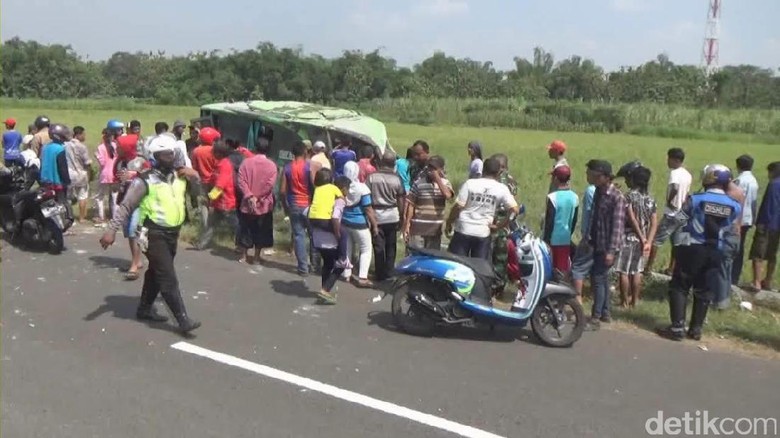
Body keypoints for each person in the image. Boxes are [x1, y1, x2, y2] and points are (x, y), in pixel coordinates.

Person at [100, 135, 202, 334]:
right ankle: (183, 320)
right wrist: (111, 231)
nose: (169, 158)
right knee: (168, 277)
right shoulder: (144, 180)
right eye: (164, 155)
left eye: (171, 154)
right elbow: (126, 206)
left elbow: (198, 193)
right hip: (152, 234)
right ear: (154, 157)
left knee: (157, 272)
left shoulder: (180, 176)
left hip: (173, 233)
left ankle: (144, 308)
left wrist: (195, 176)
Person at [657, 164, 741, 341]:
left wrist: (664, 237)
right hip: (716, 251)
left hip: (692, 248)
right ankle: (696, 330)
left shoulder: (696, 200)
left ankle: (677, 328)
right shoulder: (734, 206)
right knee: (704, 290)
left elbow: (679, 219)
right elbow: (729, 226)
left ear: (708, 177)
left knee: (680, 286)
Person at [446, 157, 519, 259]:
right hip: (483, 233)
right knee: (480, 268)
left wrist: (449, 221)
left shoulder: (470, 183)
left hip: (463, 230)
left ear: (483, 169)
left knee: (458, 264)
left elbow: (458, 206)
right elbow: (514, 210)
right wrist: (500, 226)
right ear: (498, 172)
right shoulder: (501, 188)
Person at [584, 160, 625, 330]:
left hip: (608, 246)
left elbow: (618, 226)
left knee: (598, 279)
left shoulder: (616, 197)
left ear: (605, 177)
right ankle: (606, 312)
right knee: (601, 278)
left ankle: (596, 317)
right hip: (597, 241)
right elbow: (593, 217)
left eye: (593, 174)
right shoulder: (598, 192)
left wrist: (611, 251)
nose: (589, 176)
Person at [615, 166, 657, 308]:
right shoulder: (650, 199)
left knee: (623, 271)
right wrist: (648, 241)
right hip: (643, 240)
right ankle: (635, 301)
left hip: (628, 237)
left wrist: (640, 237)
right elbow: (654, 222)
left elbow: (632, 219)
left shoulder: (629, 196)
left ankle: (624, 301)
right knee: (637, 271)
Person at [646, 147, 692, 275]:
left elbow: (675, 188)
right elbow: (687, 194)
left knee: (657, 240)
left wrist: (669, 201)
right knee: (677, 242)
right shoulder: (687, 174)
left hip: (672, 213)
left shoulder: (675, 173)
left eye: (669, 158)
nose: (667, 161)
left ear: (675, 160)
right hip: (683, 212)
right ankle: (672, 268)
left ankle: (648, 268)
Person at [310, 174, 351, 304]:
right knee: (341, 264)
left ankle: (324, 291)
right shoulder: (339, 200)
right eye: (348, 188)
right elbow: (335, 216)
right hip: (330, 240)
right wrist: (337, 232)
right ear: (344, 188)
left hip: (318, 238)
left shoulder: (322, 197)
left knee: (327, 263)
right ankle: (325, 289)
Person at [115, 134, 151, 280]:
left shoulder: (141, 161)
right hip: (125, 200)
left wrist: (135, 175)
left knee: (133, 231)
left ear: (126, 148)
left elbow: (150, 177)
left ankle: (134, 266)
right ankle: (136, 260)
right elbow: (116, 176)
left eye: (119, 147)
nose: (117, 149)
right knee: (128, 232)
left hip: (138, 201)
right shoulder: (120, 161)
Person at [280, 140, 318, 276]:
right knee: (314, 235)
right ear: (305, 152)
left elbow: (283, 191)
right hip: (308, 204)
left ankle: (303, 268)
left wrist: (285, 207)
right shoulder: (309, 167)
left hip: (294, 205)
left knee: (298, 236)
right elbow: (314, 185)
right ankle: (314, 265)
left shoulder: (287, 168)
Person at [366, 151, 406, 282]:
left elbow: (366, 196)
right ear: (394, 163)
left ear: (382, 162)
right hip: (392, 215)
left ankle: (379, 273)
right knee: (391, 245)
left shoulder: (372, 177)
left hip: (376, 216)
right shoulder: (397, 178)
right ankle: (389, 272)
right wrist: (401, 216)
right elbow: (400, 199)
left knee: (378, 246)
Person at [237, 137, 277, 264]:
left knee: (245, 229)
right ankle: (256, 257)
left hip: (247, 204)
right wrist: (257, 197)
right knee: (261, 231)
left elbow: (241, 181)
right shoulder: (272, 166)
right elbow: (269, 185)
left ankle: (243, 255)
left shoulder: (246, 163)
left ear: (255, 148)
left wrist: (249, 196)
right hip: (263, 204)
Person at [403, 155, 453, 251]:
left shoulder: (445, 183)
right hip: (418, 229)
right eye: (429, 167)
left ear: (441, 169)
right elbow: (411, 205)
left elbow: (447, 196)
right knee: (415, 256)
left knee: (431, 259)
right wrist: (407, 225)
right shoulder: (418, 183)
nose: (430, 170)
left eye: (434, 168)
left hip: (435, 230)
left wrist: (437, 179)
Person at [342, 161, 378, 287]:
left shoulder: (341, 185)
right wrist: (375, 225)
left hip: (344, 221)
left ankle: (346, 274)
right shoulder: (362, 188)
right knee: (366, 249)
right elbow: (368, 209)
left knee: (347, 248)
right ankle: (363, 277)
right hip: (359, 224)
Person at [197, 140, 239, 250]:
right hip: (218, 203)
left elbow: (220, 186)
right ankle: (202, 244)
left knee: (235, 226)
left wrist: (208, 198)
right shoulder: (219, 164)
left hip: (226, 203)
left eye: (213, 152)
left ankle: (241, 245)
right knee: (210, 224)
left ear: (219, 153)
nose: (212, 153)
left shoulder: (225, 165)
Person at [489, 153, 519, 296]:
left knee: (488, 255)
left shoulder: (492, 179)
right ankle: (499, 286)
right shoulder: (512, 180)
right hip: (505, 224)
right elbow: (514, 203)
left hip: (492, 222)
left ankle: (489, 285)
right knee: (501, 257)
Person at [750, 161, 780, 292]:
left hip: (768, 223)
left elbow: (770, 205)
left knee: (758, 254)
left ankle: (756, 282)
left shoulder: (774, 184)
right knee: (772, 254)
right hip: (778, 225)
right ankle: (768, 281)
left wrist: (761, 223)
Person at [543, 165, 579, 274]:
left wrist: (546, 239)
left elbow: (550, 221)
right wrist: (569, 233)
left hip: (553, 238)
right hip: (566, 237)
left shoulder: (552, 197)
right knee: (563, 266)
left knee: (553, 268)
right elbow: (574, 220)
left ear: (556, 179)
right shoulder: (575, 196)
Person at [732, 155, 759, 286]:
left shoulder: (739, 181)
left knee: (734, 247)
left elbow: (736, 200)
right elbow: (754, 202)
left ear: (738, 165)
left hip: (738, 218)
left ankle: (732, 276)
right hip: (748, 218)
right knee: (740, 248)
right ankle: (735, 275)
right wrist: (753, 217)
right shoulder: (753, 180)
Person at [191, 126, 221, 239]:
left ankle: (205, 225)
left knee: (204, 204)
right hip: (214, 182)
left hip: (201, 181)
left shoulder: (196, 151)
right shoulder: (215, 151)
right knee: (214, 204)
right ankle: (214, 227)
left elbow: (194, 167)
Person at [570, 181, 597, 303]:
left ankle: (577, 297)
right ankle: (595, 295)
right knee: (597, 268)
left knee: (578, 268)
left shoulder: (591, 190)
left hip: (589, 236)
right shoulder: (612, 192)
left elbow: (590, 213)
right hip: (602, 238)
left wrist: (586, 235)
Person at [93, 120, 123, 225]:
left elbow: (102, 163)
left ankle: (101, 216)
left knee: (100, 197)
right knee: (115, 197)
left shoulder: (100, 148)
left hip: (105, 174)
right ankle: (115, 217)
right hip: (115, 174)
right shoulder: (116, 146)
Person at [65, 126, 93, 224]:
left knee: (68, 197)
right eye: (83, 134)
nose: (84, 136)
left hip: (69, 174)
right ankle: (81, 218)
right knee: (82, 196)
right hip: (81, 174)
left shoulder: (65, 145)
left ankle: (68, 217)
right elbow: (87, 163)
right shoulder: (82, 147)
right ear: (78, 135)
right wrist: (90, 174)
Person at [39, 123, 72, 205]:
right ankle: (68, 217)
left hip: (45, 181)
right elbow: (62, 168)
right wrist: (67, 181)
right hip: (57, 182)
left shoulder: (45, 147)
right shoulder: (60, 149)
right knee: (62, 203)